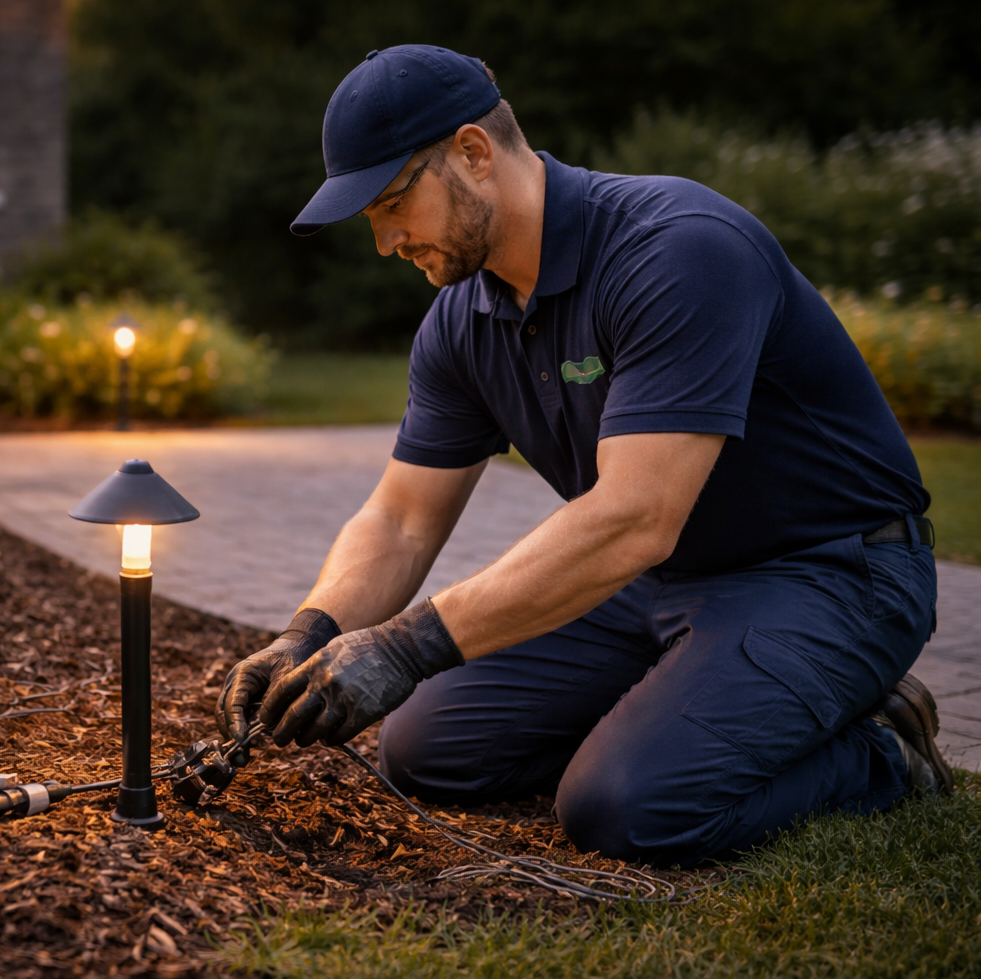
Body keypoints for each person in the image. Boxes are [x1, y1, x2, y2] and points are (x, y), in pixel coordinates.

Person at [216, 45, 952, 867]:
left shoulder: (676, 250)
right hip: (657, 580)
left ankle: (884, 749)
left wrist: (406, 646)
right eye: (371, 221)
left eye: (393, 203)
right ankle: (699, 709)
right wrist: (308, 633)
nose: (387, 241)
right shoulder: (463, 321)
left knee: (626, 808)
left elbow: (636, 517)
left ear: (473, 152)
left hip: (830, 572)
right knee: (426, 751)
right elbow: (401, 519)